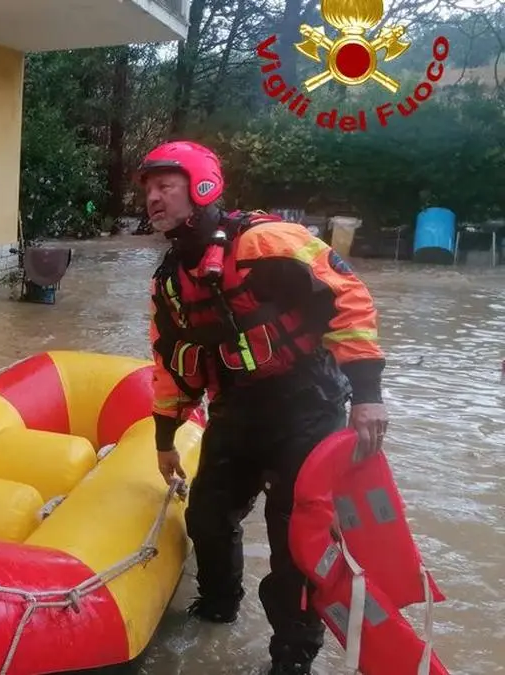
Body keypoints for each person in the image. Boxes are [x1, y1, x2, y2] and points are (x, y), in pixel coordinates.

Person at [137, 140, 389, 675]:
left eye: (165, 186)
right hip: (237, 408)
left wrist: (367, 396)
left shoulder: (265, 241)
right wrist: (165, 438)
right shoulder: (169, 281)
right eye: (148, 190)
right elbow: (170, 363)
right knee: (206, 514)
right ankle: (219, 609)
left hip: (307, 405)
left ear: (201, 185)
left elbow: (349, 295)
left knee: (293, 539)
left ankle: (291, 660)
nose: (153, 199)